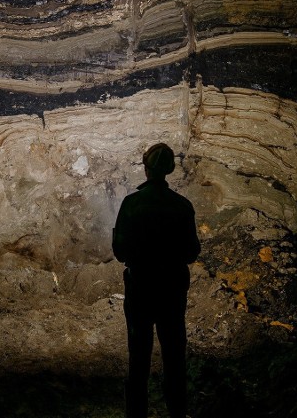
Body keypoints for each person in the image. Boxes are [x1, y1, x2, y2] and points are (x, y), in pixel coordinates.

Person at [112, 142, 201, 418]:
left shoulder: (131, 203)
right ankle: (177, 411)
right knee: (174, 355)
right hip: (172, 290)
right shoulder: (182, 206)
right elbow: (191, 252)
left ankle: (136, 413)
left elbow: (120, 251)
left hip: (140, 288)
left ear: (146, 167)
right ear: (170, 169)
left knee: (138, 357)